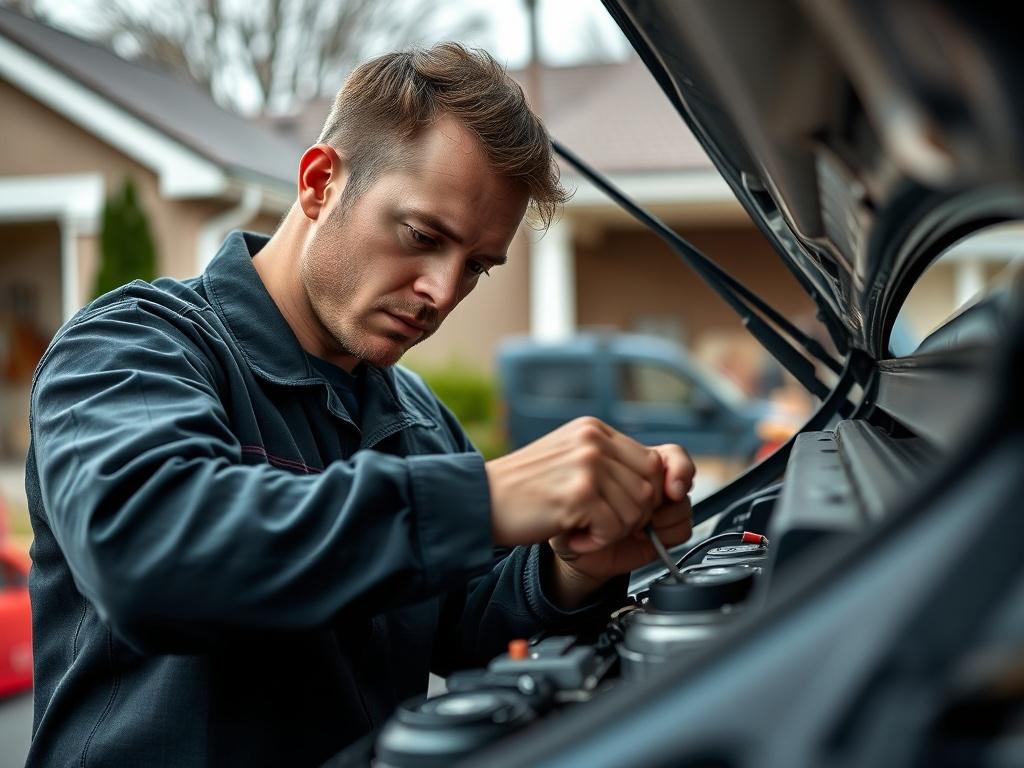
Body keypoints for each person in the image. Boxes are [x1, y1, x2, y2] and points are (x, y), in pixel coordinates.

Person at [24, 43, 694, 766]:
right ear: (320, 183)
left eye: (475, 266)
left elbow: (468, 625)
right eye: (424, 237)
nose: (442, 292)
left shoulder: (414, 416)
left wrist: (574, 568)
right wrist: (482, 497)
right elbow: (149, 555)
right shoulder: (132, 347)